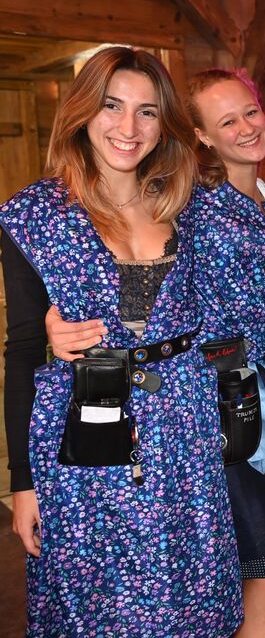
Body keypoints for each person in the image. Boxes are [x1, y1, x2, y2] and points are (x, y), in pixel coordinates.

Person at [0, 47, 242, 634]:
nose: (128, 127)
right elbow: (24, 352)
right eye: (112, 106)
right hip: (86, 431)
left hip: (184, 435)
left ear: (164, 125)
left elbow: (241, 294)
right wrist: (23, 484)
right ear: (83, 111)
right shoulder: (36, 216)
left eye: (147, 112)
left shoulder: (189, 206)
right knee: (96, 604)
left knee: (188, 597)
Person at [182, 69, 265, 638]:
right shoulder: (191, 204)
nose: (246, 127)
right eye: (227, 121)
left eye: (251, 111)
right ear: (202, 135)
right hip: (226, 399)